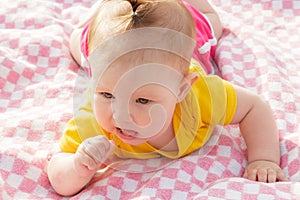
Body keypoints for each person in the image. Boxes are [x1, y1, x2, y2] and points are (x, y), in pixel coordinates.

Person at [47, 0, 288, 196]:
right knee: (80, 41)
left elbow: (254, 107)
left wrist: (263, 158)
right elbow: (59, 177)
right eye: (107, 94)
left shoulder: (200, 97)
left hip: (190, 39)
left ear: (182, 89)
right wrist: (78, 167)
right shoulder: (92, 120)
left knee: (210, 23)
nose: (120, 114)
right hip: (108, 47)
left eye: (142, 100)